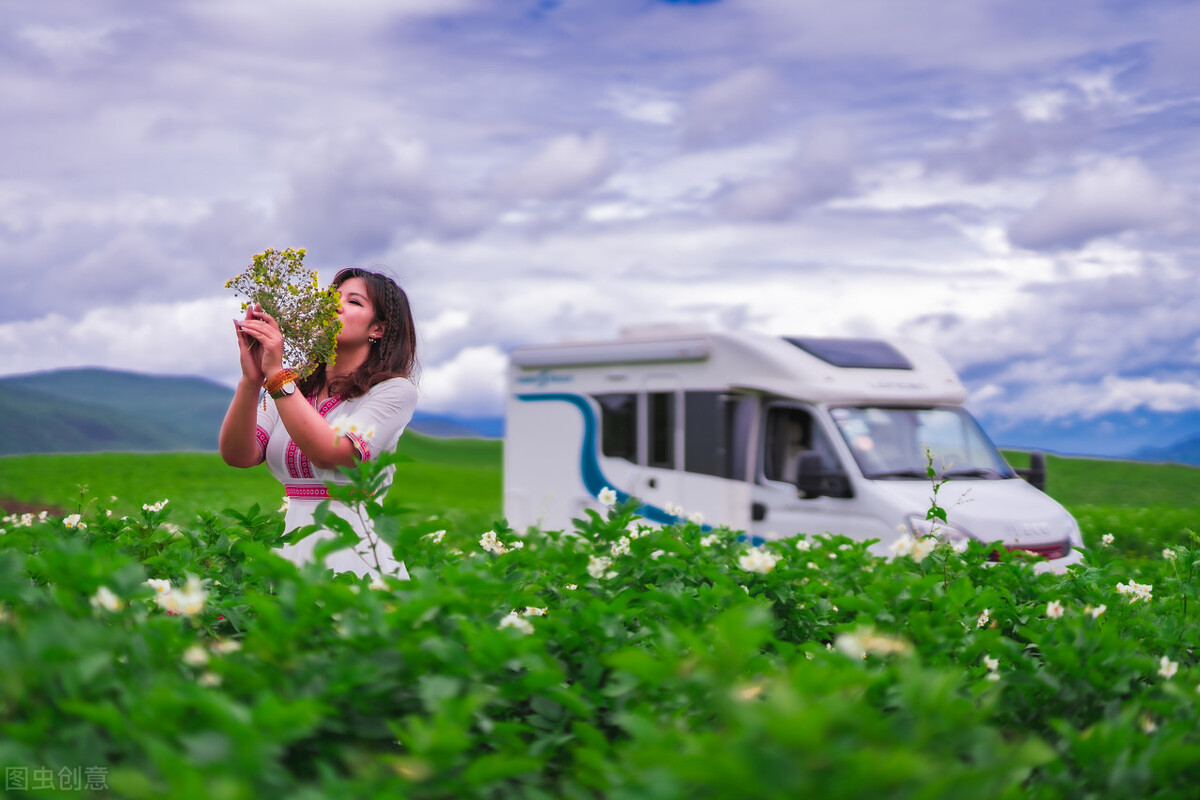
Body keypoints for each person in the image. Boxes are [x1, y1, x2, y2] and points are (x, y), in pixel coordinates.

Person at [218, 267, 418, 579]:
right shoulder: (290, 388)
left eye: (353, 301)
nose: (334, 306)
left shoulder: (394, 390)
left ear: (377, 329)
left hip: (357, 554)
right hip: (292, 549)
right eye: (330, 298)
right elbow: (238, 455)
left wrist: (277, 376)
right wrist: (251, 379)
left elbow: (332, 454)